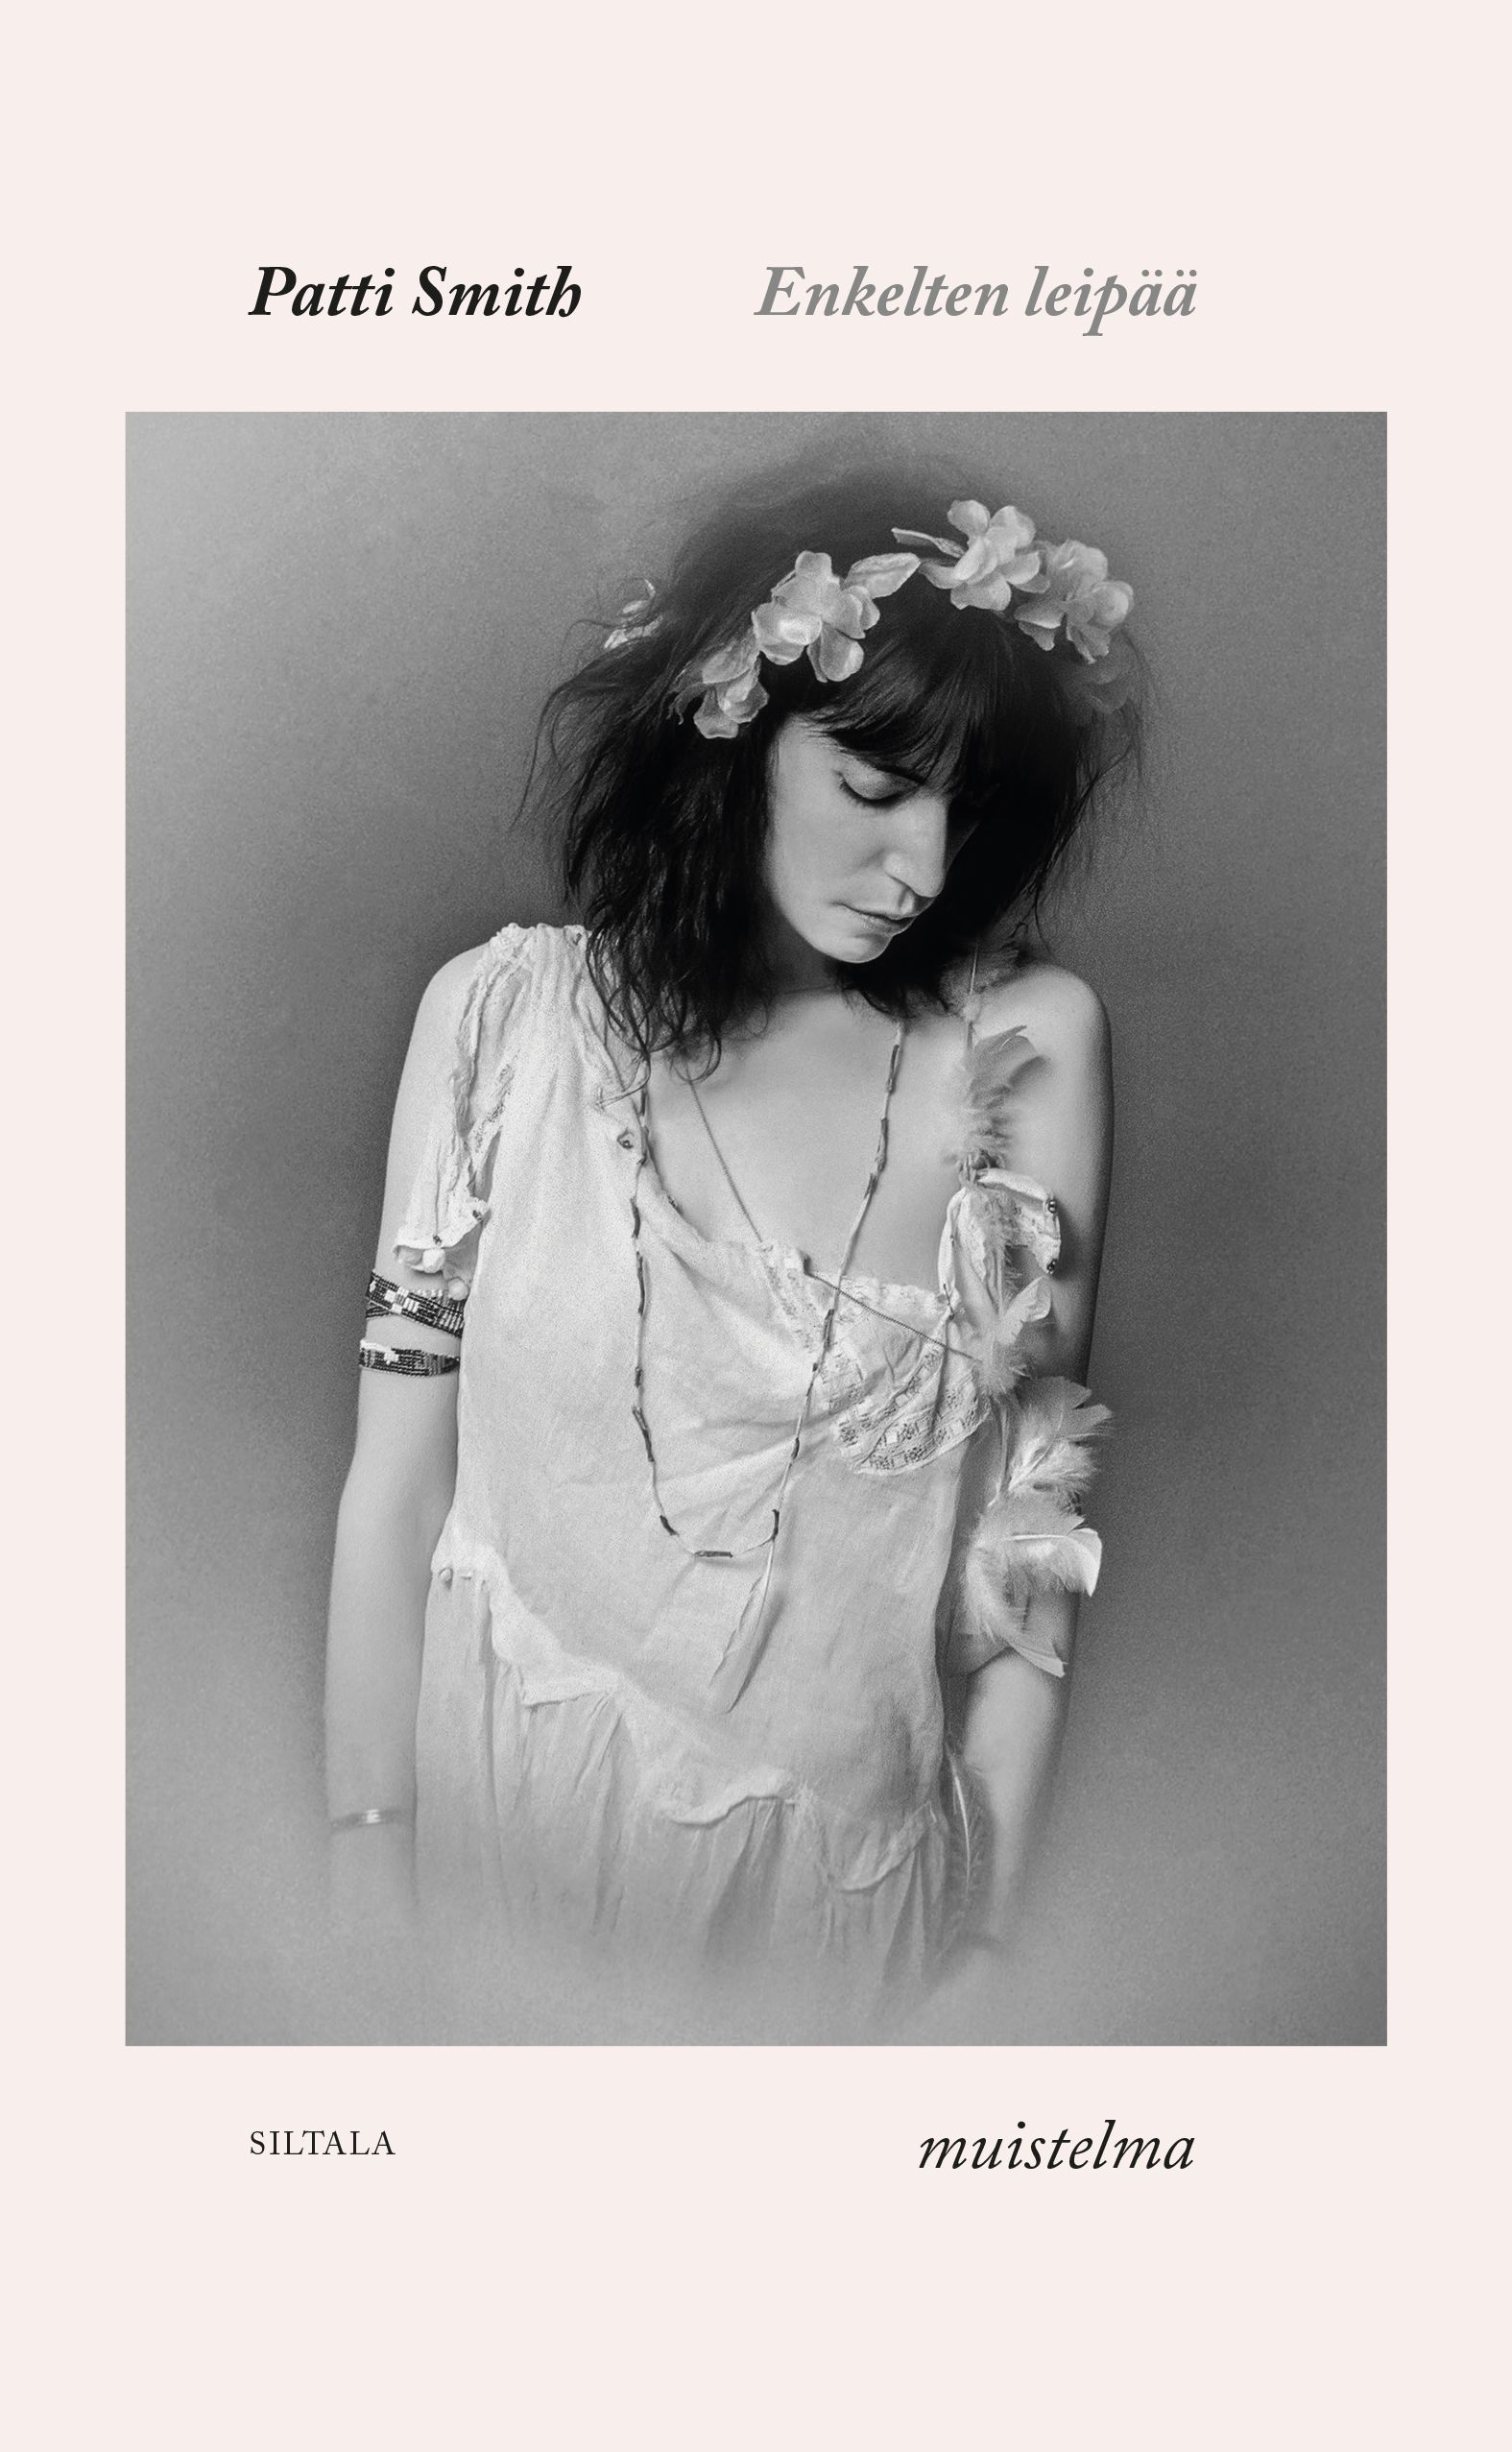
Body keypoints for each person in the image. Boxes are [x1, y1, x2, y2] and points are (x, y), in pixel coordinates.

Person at [324, 463, 1139, 2033]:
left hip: (829, 1939)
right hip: (496, 1876)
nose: (925, 867)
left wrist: (983, 1964)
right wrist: (364, 1869)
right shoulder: (500, 1025)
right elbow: (395, 1485)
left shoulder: (1032, 1052)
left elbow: (1031, 1556)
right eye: (878, 787)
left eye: (969, 808)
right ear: (735, 731)